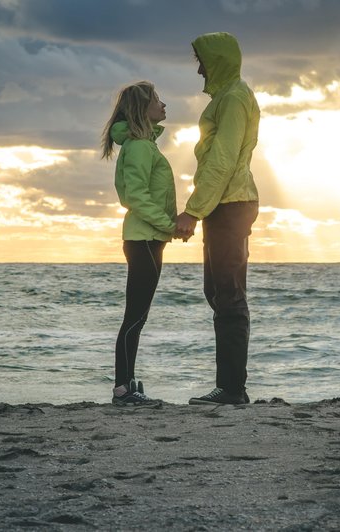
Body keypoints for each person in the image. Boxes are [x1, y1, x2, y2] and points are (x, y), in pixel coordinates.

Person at [175, 32, 260, 405]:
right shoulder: (227, 96)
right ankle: (229, 386)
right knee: (217, 292)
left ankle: (231, 389)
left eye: (202, 62)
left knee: (228, 296)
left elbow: (222, 160)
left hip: (232, 202)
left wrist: (193, 210)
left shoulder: (235, 98)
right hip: (223, 205)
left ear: (218, 61)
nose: (198, 70)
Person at [101, 81, 176, 406]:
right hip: (143, 237)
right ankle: (122, 389)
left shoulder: (143, 145)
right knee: (134, 317)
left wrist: (165, 229)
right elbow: (134, 196)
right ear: (142, 108)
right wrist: (169, 225)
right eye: (157, 100)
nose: (164, 105)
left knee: (138, 316)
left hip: (148, 238)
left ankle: (128, 382)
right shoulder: (140, 147)